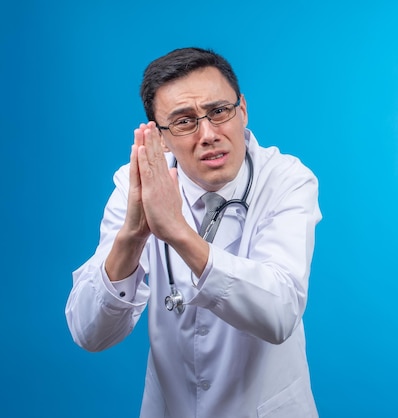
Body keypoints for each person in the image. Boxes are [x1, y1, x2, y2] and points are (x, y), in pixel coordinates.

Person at [65, 47, 322, 417]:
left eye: (219, 112)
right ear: (161, 137)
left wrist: (179, 234)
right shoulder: (136, 184)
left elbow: (280, 314)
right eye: (184, 122)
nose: (208, 134)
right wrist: (133, 237)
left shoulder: (286, 180)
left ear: (243, 110)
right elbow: (90, 333)